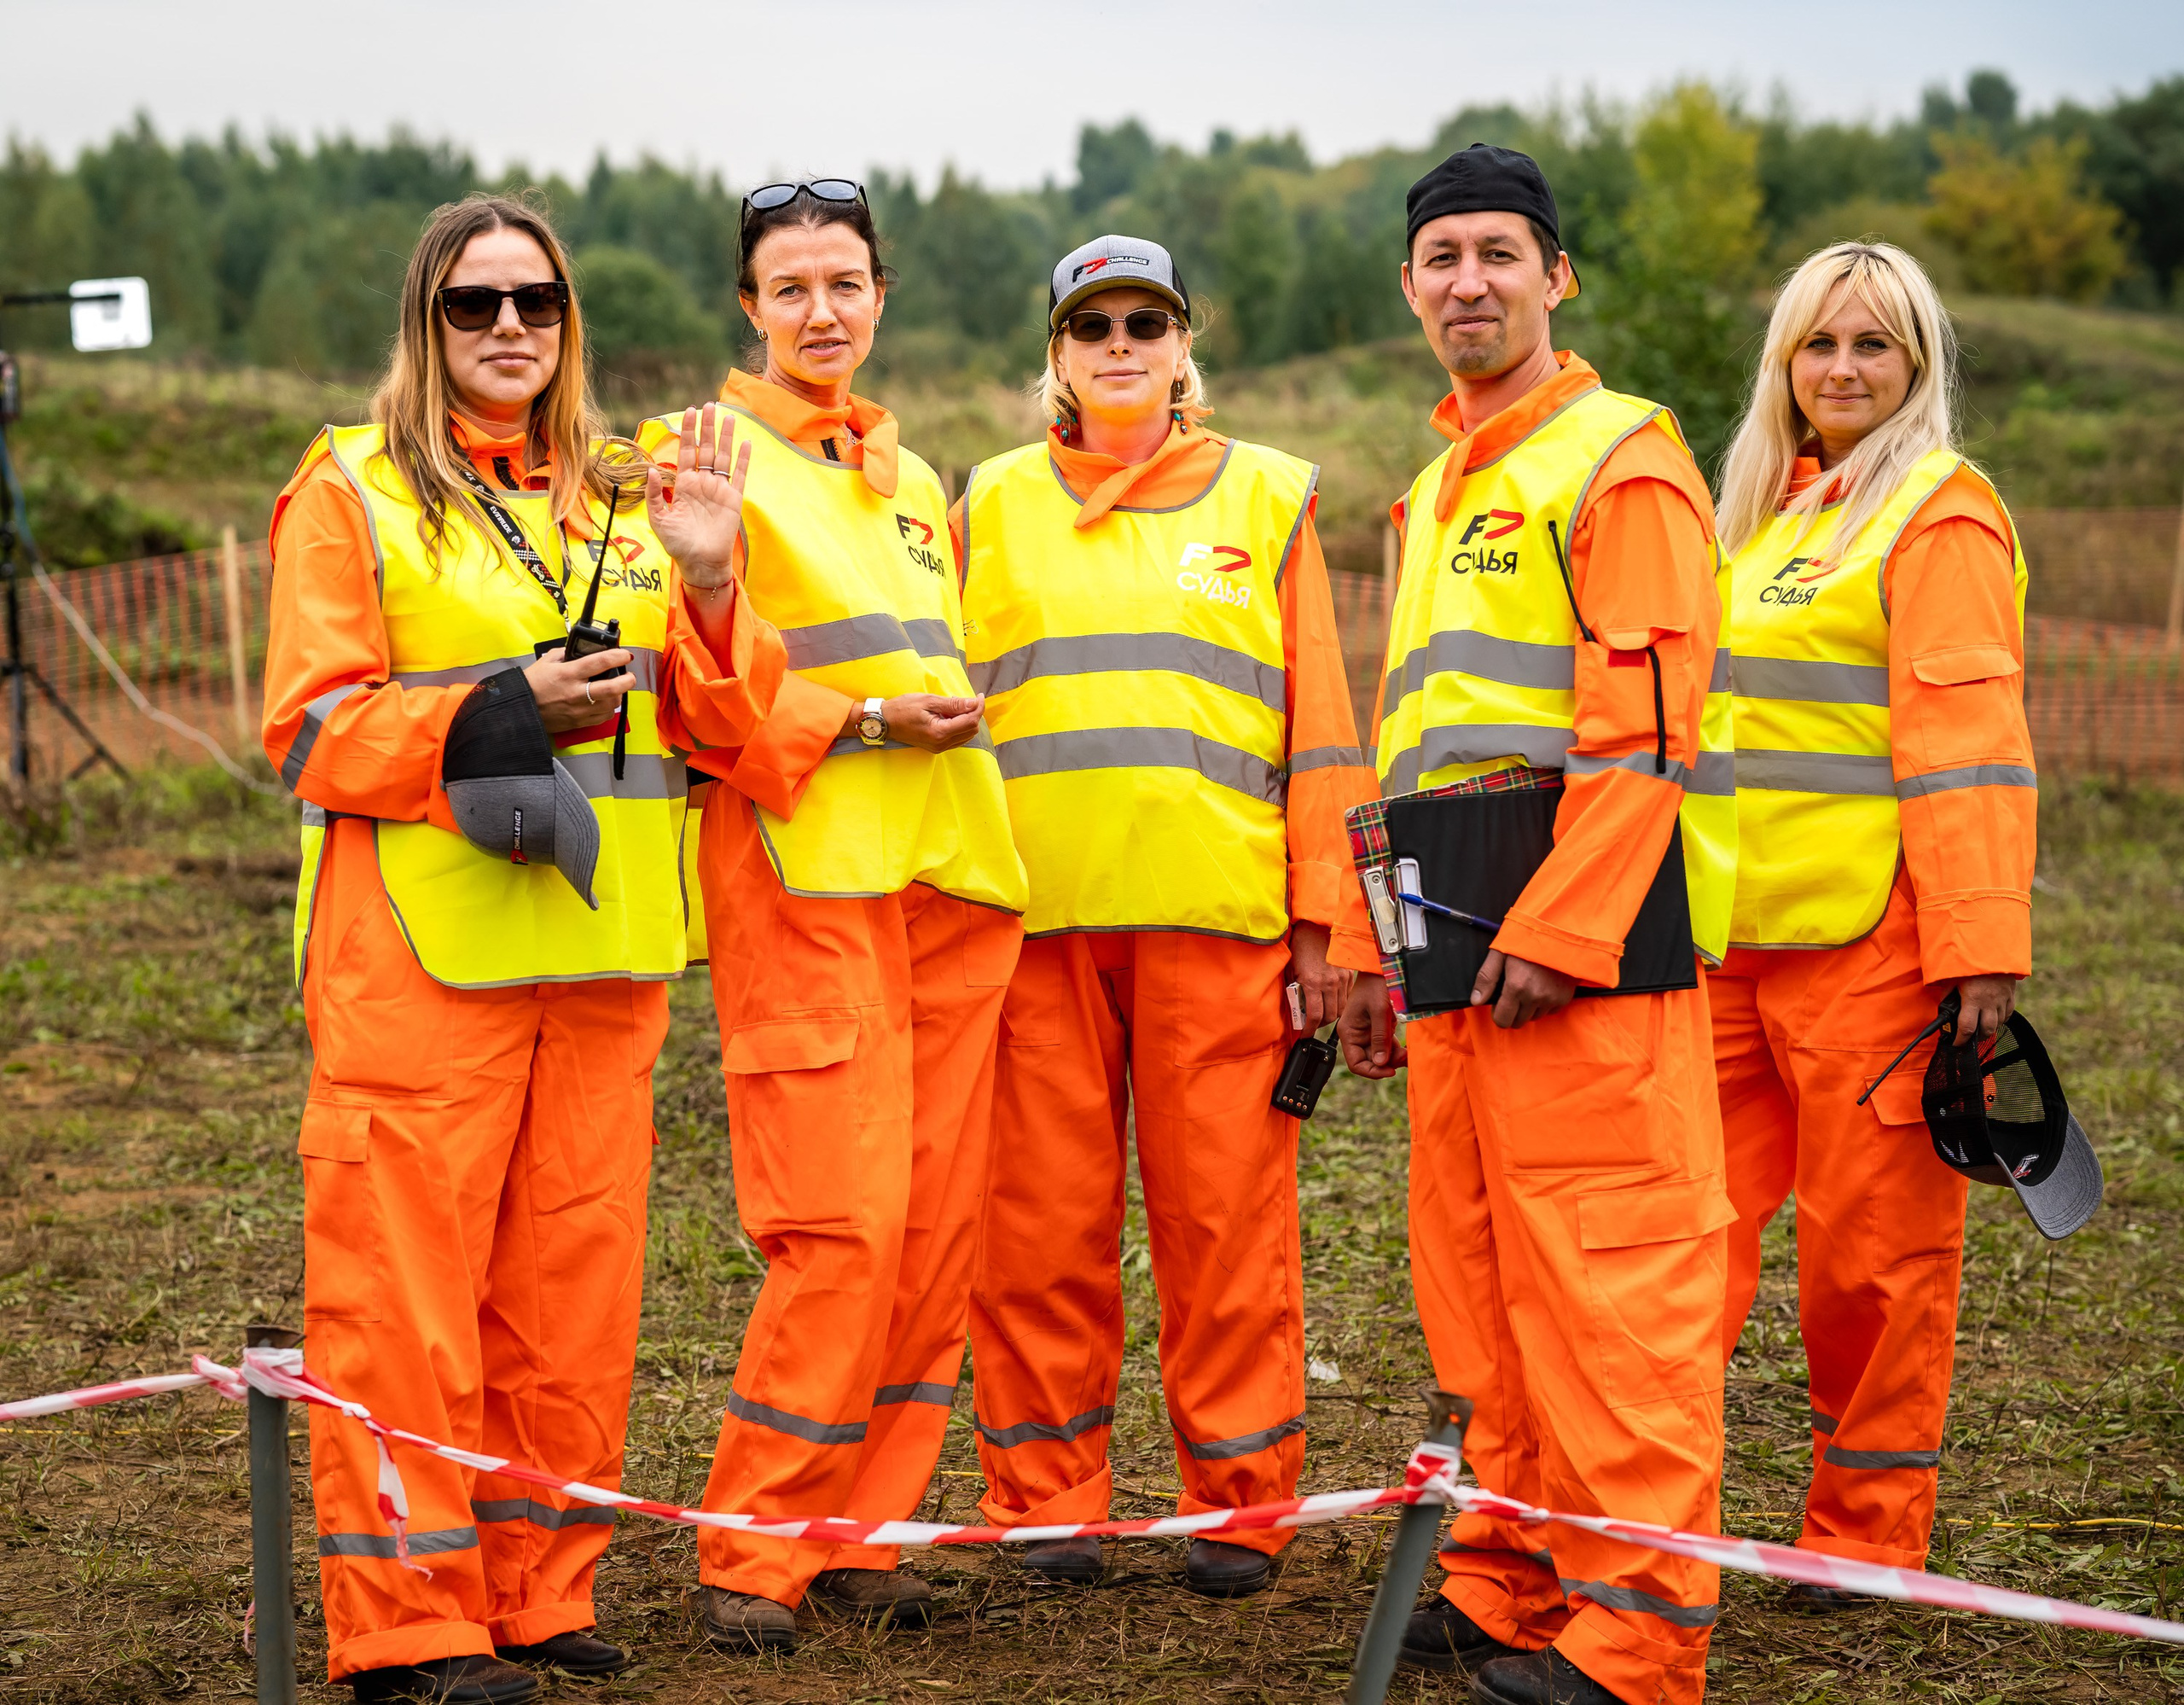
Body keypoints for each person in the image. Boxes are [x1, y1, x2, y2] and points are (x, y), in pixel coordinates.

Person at [263, 194, 780, 1704]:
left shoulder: (632, 493)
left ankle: (540, 1590)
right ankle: (410, 1624)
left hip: (607, 958)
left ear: (572, 321)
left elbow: (730, 729)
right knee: (404, 1304)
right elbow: (309, 725)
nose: (509, 329)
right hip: (417, 964)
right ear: (425, 323)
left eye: (537, 302)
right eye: (474, 304)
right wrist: (500, 711)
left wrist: (712, 577)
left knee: (570, 1299)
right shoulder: (351, 490)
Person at [1334, 146, 1738, 1705]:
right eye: (1440, 258)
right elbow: (1411, 750)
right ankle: (1512, 1582)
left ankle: (1638, 1640)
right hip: (1451, 947)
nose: (1468, 283)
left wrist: (1560, 931)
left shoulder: (1619, 457)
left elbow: (1649, 737)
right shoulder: (1439, 484)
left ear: (1557, 276)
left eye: (1499, 253)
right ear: (1413, 285)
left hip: (1578, 958)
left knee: (1612, 1292)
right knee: (1483, 1289)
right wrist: (1380, 953)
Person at [632, 180, 1026, 1654]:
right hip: (809, 887)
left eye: (844, 283)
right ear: (751, 305)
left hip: (949, 888)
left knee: (931, 1237)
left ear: (880, 296)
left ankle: (867, 1528)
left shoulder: (913, 482)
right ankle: (754, 1545)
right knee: (841, 1229)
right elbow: (700, 704)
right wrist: (863, 717)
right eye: (790, 286)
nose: (820, 311)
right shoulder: (701, 455)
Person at [955, 236, 1374, 1599]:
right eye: (1094, 325)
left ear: (1185, 345)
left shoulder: (1269, 496)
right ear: (1058, 356)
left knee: (1227, 1231)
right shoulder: (986, 502)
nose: (1120, 343)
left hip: (1223, 927)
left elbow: (1324, 735)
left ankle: (1238, 1506)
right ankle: (1044, 1500)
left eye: (1146, 321)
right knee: (1035, 1229)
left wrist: (1329, 926)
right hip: (1035, 935)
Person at [1709, 241, 2034, 1599]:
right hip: (1726, 942)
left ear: (1918, 365)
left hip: (1874, 947)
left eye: (1874, 347)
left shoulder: (1939, 513)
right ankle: (1647, 1505)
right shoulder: (1761, 513)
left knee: (1872, 1265)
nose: (1842, 370)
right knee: (1683, 1243)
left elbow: (1967, 746)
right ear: (1785, 361)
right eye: (1818, 345)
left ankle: (1864, 1540)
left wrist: (1976, 949)